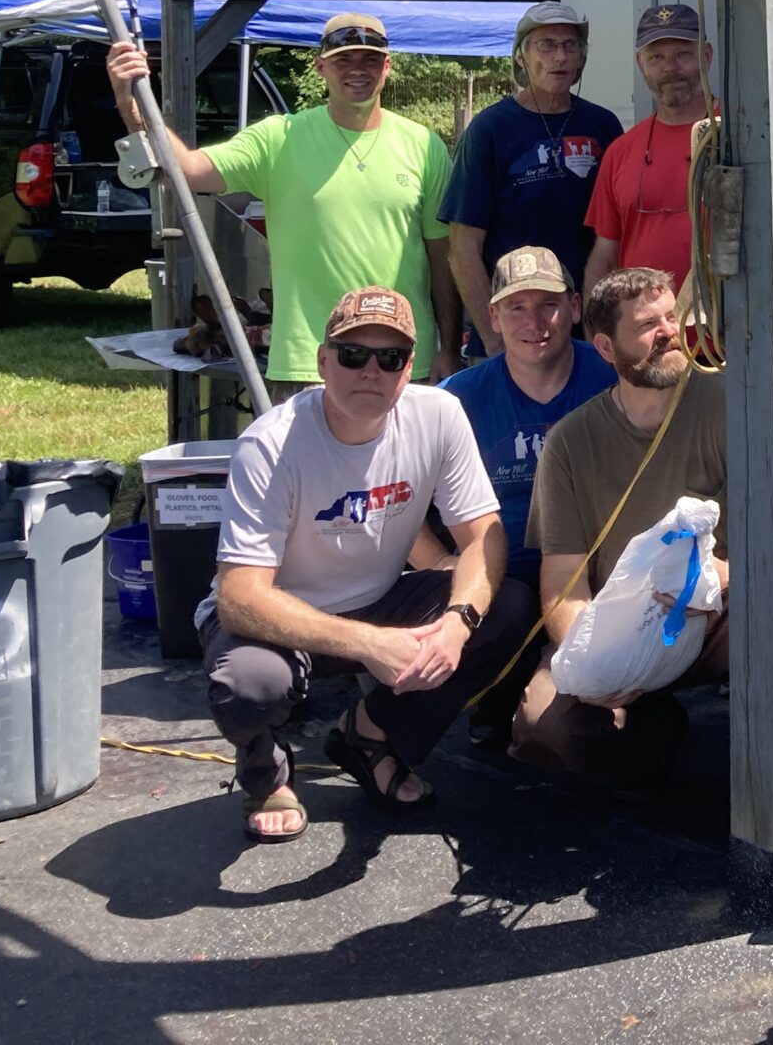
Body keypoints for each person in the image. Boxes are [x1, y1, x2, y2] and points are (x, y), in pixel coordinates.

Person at [199, 286, 535, 839]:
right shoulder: (270, 444)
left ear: (409, 370)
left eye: (390, 358)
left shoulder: (440, 415)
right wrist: (369, 646)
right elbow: (240, 597)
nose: (370, 371)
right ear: (323, 362)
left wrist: (457, 624)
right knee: (249, 686)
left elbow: (483, 537)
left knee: (510, 606)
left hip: (379, 601)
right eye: (353, 355)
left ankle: (370, 735)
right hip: (281, 619)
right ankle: (265, 772)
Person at [108, 13, 458, 393]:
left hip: (402, 361)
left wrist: (449, 348)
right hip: (308, 364)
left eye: (370, 60)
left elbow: (443, 258)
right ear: (320, 67)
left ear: (387, 67)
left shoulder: (424, 146)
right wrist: (131, 101)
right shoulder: (278, 139)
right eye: (344, 60)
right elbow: (189, 170)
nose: (358, 70)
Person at [515, 267, 731, 791]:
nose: (667, 334)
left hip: (715, 615)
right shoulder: (569, 442)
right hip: (622, 627)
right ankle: (657, 735)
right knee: (543, 727)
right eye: (647, 326)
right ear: (607, 348)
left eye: (669, 319)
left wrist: (723, 581)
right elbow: (563, 582)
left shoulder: (730, 403)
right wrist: (595, 662)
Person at [442, 2, 623, 358]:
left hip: (587, 334)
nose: (560, 56)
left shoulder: (603, 126)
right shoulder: (490, 130)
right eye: (547, 45)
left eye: (570, 46)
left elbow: (617, 236)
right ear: (521, 58)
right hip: (511, 333)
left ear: (581, 59)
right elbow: (462, 248)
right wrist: (494, 342)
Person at [437, 245, 615, 594]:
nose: (533, 323)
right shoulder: (455, 398)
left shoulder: (615, 374)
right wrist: (439, 562)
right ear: (493, 316)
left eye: (549, 304)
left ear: (575, 307)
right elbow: (397, 481)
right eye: (516, 308)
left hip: (602, 576)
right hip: (497, 582)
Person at [581, 3, 715, 297]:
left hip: (726, 336)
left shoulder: (740, 138)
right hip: (641, 337)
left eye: (683, 54)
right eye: (656, 57)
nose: (670, 68)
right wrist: (598, 337)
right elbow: (604, 256)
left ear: (706, 56)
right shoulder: (620, 152)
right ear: (640, 63)